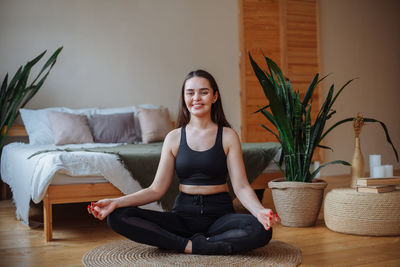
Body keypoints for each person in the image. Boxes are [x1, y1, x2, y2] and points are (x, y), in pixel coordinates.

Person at [87, 70, 280, 255]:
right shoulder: (173, 138)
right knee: (118, 216)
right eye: (190, 93)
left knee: (260, 229)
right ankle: (192, 246)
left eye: (203, 92)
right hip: (182, 216)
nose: (196, 98)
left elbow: (242, 187)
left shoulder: (228, 136)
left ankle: (187, 244)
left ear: (214, 97)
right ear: (184, 98)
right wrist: (116, 202)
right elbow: (156, 190)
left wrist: (260, 211)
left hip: (220, 216)